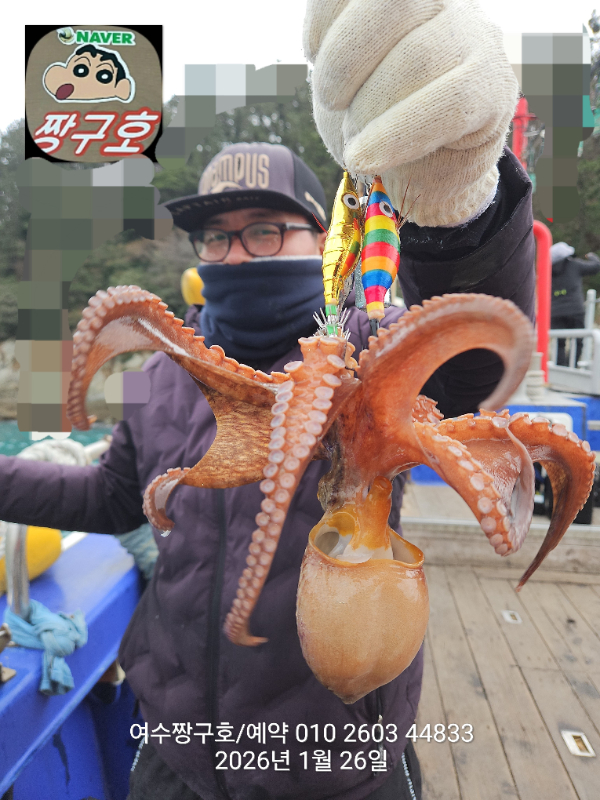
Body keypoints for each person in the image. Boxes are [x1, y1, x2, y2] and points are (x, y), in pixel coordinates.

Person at [0, 2, 535, 798]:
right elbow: (113, 496)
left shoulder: (363, 353)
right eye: (217, 237)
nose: (236, 253)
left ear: (321, 237)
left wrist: (455, 200)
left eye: (266, 229)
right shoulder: (168, 371)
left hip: (336, 763)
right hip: (174, 752)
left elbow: (468, 370)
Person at [550, 241, 600, 366]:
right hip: (575, 310)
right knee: (578, 340)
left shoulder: (547, 269)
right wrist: (592, 257)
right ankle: (572, 366)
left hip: (555, 312)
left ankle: (560, 367)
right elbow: (595, 267)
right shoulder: (574, 265)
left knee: (559, 343)